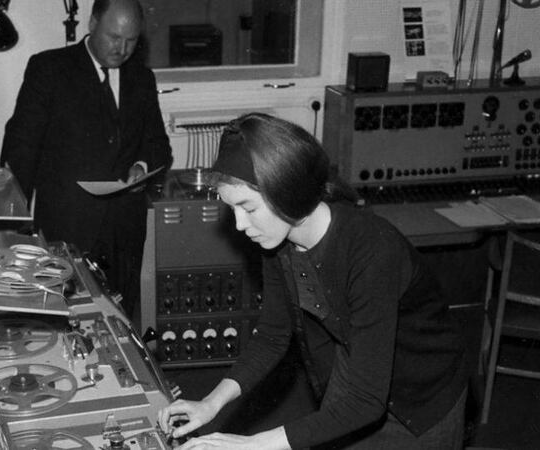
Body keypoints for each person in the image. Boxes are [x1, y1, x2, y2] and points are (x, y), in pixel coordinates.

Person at [158, 113, 469, 449]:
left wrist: (255, 445)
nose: (239, 225)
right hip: (356, 374)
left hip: (421, 399)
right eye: (232, 209)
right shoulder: (277, 241)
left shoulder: (372, 249)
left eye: (248, 208)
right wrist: (211, 403)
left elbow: (366, 402)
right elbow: (273, 336)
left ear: (286, 192)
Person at [0, 0, 172, 320]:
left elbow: (157, 144)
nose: (122, 48)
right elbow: (21, 149)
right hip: (67, 225)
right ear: (92, 23)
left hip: (125, 230)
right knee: (64, 319)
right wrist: (12, 227)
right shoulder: (49, 69)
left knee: (120, 319)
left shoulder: (142, 79)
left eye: (132, 41)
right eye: (114, 37)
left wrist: (142, 167)